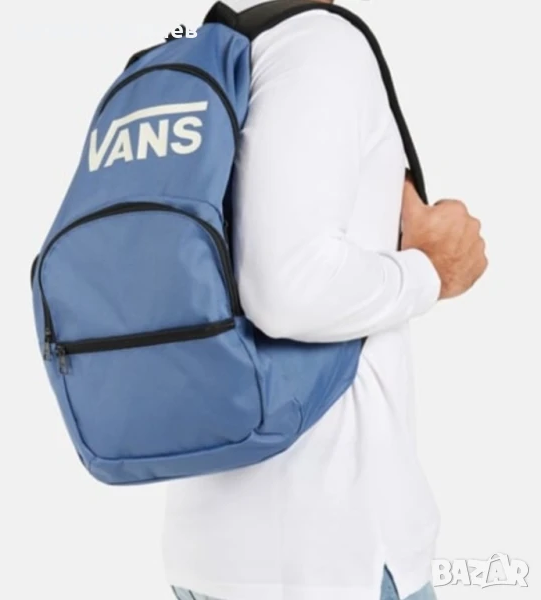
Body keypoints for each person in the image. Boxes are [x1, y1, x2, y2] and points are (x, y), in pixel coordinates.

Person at [162, 1, 488, 599]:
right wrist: (431, 272)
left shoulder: (210, 51)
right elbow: (288, 290)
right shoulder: (319, 44)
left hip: (212, 542)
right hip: (330, 552)